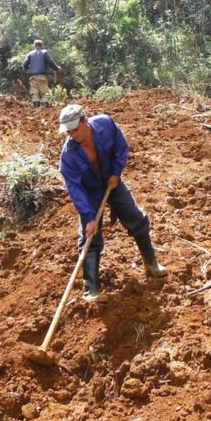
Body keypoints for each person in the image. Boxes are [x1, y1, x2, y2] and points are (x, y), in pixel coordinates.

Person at [59, 104, 167, 303]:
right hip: (90, 192)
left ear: (85, 121)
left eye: (75, 129)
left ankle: (151, 265)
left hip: (111, 180)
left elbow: (120, 146)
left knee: (137, 219)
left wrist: (116, 173)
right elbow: (75, 190)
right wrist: (89, 217)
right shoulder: (68, 156)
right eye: (68, 131)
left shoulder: (105, 124)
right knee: (90, 236)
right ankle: (91, 290)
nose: (71, 135)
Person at [22, 39, 62, 108]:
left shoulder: (30, 53)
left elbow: (24, 65)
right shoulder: (44, 52)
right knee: (44, 93)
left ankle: (36, 108)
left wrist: (29, 68)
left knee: (34, 93)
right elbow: (50, 62)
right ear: (41, 46)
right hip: (42, 76)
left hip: (33, 77)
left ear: (34, 45)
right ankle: (44, 108)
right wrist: (57, 68)